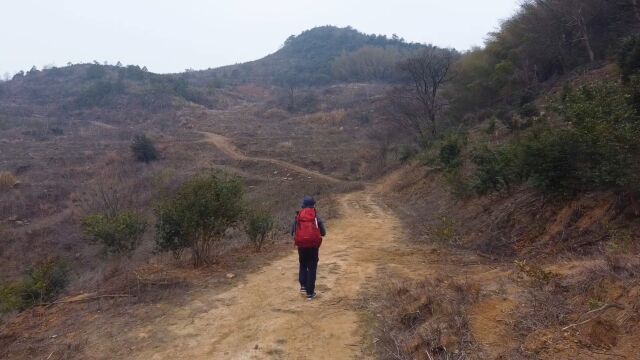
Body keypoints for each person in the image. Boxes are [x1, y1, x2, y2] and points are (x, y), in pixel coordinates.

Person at [291, 196, 326, 300]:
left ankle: (303, 286)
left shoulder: (299, 215)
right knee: (312, 268)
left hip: (301, 245)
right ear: (313, 205)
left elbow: (292, 231)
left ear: (303, 205)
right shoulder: (315, 216)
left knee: (303, 264)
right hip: (313, 246)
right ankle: (310, 293)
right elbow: (323, 232)